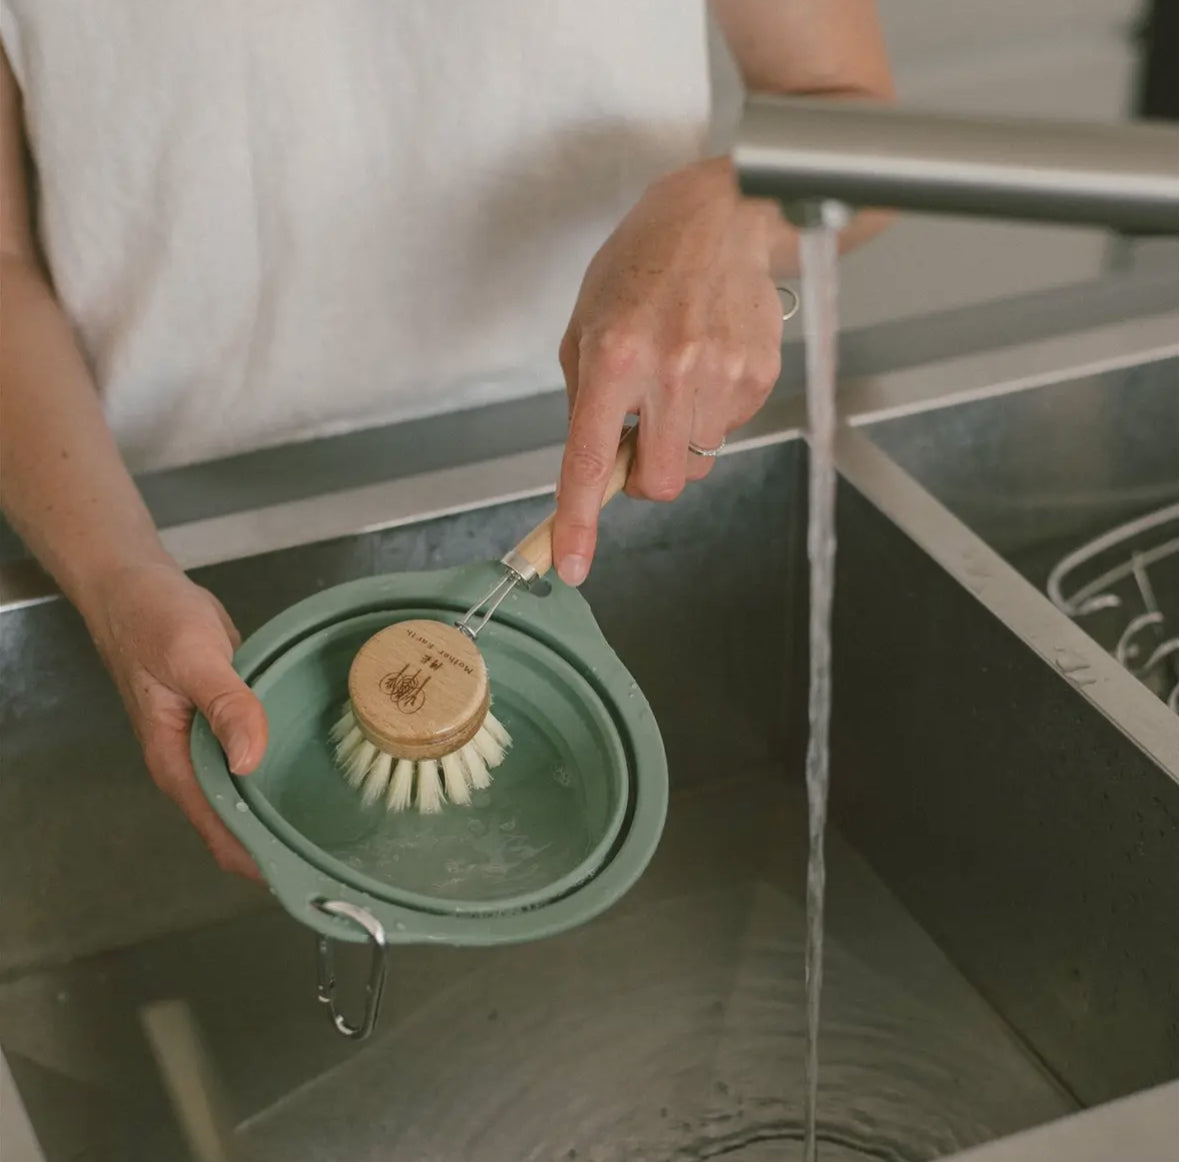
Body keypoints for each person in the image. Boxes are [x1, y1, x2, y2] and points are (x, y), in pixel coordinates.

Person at [0, 1, 894, 879]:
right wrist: (120, 577)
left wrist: (729, 207)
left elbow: (858, 119)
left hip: (608, 482)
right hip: (146, 525)